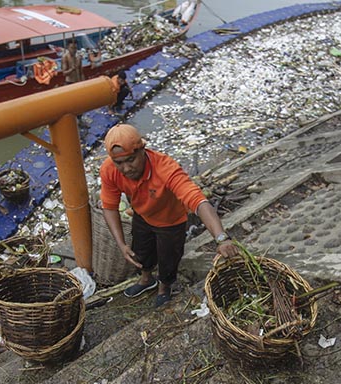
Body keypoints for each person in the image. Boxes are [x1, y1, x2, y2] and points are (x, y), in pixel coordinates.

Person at [99, 124, 238, 307]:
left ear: (142, 150)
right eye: (119, 163)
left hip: (171, 221)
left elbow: (198, 201)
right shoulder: (109, 170)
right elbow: (109, 206)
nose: (126, 168)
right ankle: (146, 280)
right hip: (142, 215)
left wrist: (221, 237)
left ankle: (164, 288)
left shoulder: (166, 168)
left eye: (131, 160)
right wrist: (121, 243)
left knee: (168, 259)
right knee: (141, 252)